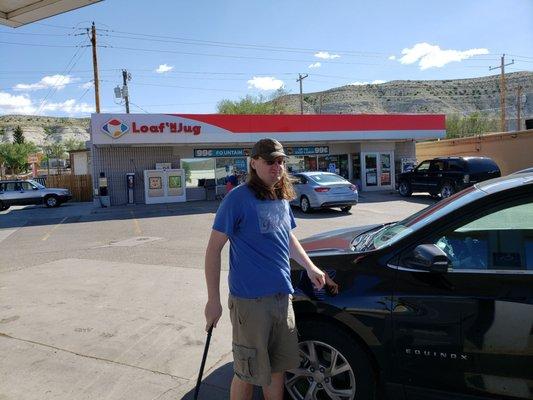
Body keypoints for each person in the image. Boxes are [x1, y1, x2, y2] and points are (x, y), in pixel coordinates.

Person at [204, 138, 326, 400]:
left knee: (277, 368)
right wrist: (213, 301)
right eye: (270, 161)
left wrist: (311, 266)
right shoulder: (237, 199)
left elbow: (288, 239)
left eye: (281, 161)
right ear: (254, 163)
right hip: (250, 304)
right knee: (247, 372)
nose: (277, 167)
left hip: (283, 299)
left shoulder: (281, 196)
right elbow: (213, 250)